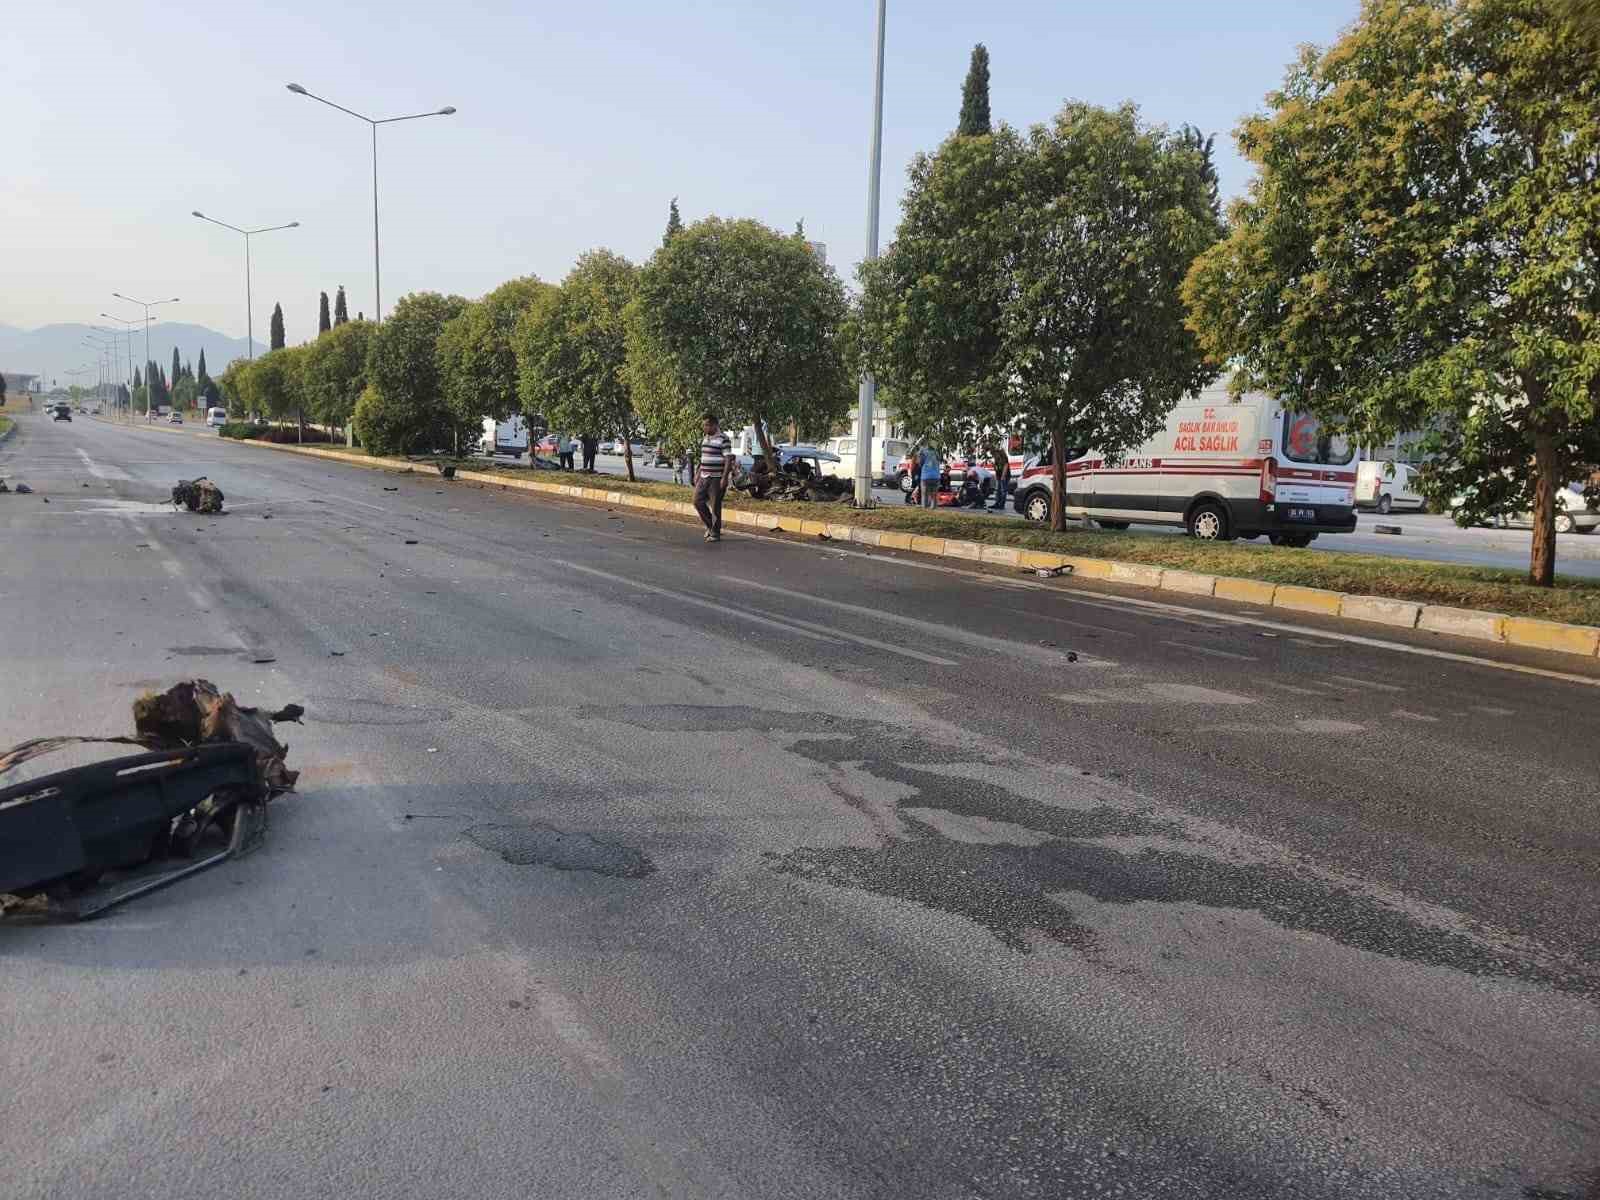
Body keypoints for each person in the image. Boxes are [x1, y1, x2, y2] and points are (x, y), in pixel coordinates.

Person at [694, 412, 733, 541]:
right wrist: (698, 473)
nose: (704, 428)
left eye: (707, 425)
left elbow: (728, 459)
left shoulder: (723, 439)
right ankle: (711, 526)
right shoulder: (705, 438)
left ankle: (715, 533)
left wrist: (724, 478)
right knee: (697, 501)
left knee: (715, 506)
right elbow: (703, 458)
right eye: (704, 425)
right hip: (704, 477)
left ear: (715, 425)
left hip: (716, 478)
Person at [918, 444, 942, 509]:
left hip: (926, 476)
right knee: (934, 495)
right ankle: (933, 509)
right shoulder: (936, 452)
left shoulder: (923, 452)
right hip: (936, 476)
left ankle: (925, 508)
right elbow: (939, 461)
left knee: (925, 494)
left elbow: (920, 463)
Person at [991, 445, 1010, 512]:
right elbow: (996, 468)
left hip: (1004, 476)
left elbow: (1006, 466)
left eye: (994, 453)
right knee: (997, 490)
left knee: (1003, 490)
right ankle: (997, 503)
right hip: (999, 476)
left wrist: (1003, 476)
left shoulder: (1003, 457)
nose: (993, 455)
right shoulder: (996, 458)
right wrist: (994, 468)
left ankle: (1001, 504)